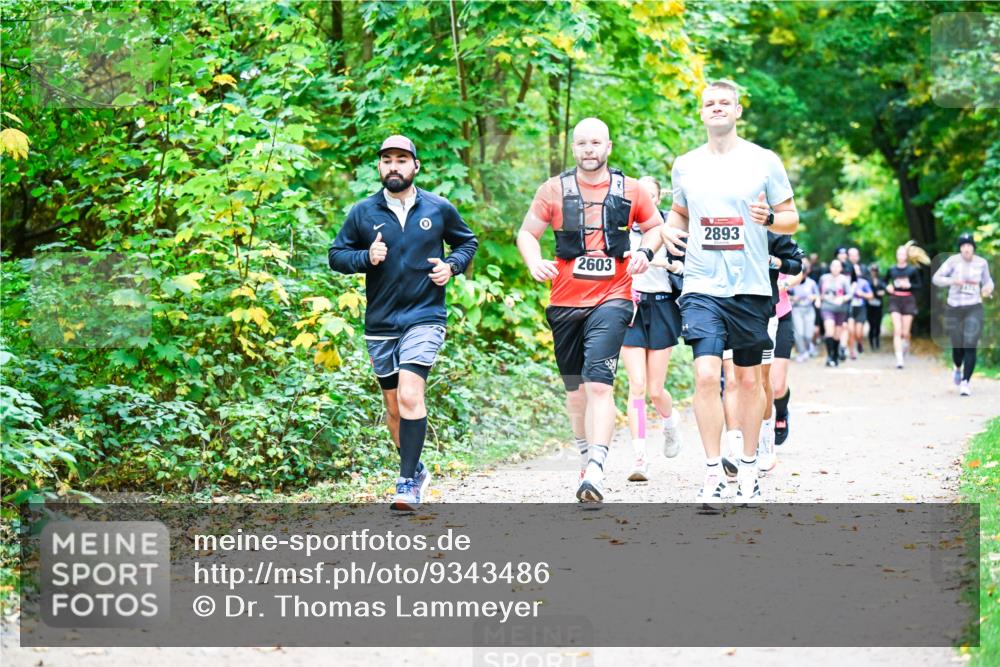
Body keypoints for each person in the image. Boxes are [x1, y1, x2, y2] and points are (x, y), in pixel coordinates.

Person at [659, 79, 799, 508]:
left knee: (745, 378)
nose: (717, 108)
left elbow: (792, 218)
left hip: (751, 286)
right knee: (705, 375)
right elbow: (681, 214)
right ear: (701, 113)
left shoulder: (764, 161)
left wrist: (771, 217)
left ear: (738, 111)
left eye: (725, 103)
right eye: (709, 103)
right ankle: (713, 471)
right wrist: (666, 228)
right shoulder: (685, 165)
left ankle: (751, 468)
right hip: (702, 284)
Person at [328, 135, 479, 511]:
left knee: (412, 395)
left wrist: (452, 266)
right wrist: (366, 256)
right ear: (379, 167)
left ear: (415, 166)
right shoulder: (363, 213)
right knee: (394, 409)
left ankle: (406, 483)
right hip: (380, 322)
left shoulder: (439, 208)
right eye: (386, 160)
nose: (393, 166)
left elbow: (467, 242)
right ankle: (417, 468)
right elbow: (336, 255)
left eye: (401, 160)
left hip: (425, 316)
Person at [517, 117, 661, 503]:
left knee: (599, 382)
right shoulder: (552, 190)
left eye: (596, 142)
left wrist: (645, 252)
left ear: (608, 146)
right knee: (575, 391)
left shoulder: (631, 190)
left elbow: (655, 228)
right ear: (574, 148)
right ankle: (585, 452)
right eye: (582, 143)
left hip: (613, 295)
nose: (589, 150)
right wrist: (534, 262)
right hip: (564, 300)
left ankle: (596, 467)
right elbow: (527, 233)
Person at [621, 176, 684, 482]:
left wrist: (660, 263)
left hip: (661, 308)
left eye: (650, 194)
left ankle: (671, 423)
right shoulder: (619, 232)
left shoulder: (669, 231)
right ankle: (640, 457)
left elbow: (685, 268)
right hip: (630, 310)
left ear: (658, 200)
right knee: (637, 385)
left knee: (656, 391)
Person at [932, 232, 994, 396]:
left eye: (969, 245)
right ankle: (957, 367)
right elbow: (936, 278)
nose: (966, 248)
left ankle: (966, 382)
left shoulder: (981, 263)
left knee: (970, 343)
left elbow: (988, 281)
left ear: (973, 247)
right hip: (954, 308)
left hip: (974, 307)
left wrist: (988, 288)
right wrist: (951, 280)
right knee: (958, 345)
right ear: (960, 248)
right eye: (963, 246)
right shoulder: (952, 261)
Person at [885, 242, 928, 369]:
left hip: (908, 300)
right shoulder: (891, 270)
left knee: (905, 332)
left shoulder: (912, 270)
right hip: (895, 300)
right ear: (896, 255)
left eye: (903, 254)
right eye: (898, 253)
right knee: (897, 330)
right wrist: (888, 287)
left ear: (906, 256)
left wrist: (910, 286)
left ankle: (905, 345)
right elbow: (884, 282)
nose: (900, 256)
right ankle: (899, 359)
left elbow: (919, 286)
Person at [819, 259, 851, 367]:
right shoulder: (824, 278)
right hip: (827, 307)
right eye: (833, 266)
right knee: (829, 331)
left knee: (837, 334)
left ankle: (836, 355)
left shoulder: (844, 279)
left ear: (841, 268)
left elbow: (850, 294)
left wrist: (843, 298)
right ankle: (829, 356)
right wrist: (819, 299)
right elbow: (819, 292)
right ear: (830, 267)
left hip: (841, 309)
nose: (835, 268)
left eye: (838, 266)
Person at [791, 258, 820, 361]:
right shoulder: (792, 283)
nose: (802, 275)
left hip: (809, 310)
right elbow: (786, 295)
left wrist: (815, 298)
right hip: (797, 309)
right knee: (799, 333)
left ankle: (808, 348)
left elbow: (817, 295)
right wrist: (793, 298)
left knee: (808, 334)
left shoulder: (811, 283)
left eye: (803, 273)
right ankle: (802, 352)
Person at [847, 270, 875, 360]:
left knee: (858, 333)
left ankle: (859, 342)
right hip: (849, 308)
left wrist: (862, 294)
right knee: (851, 331)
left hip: (861, 308)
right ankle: (852, 351)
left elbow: (871, 295)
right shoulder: (846, 281)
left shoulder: (864, 282)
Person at [867, 264, 886, 350]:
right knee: (871, 325)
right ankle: (871, 343)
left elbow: (886, 289)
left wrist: (883, 292)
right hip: (869, 305)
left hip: (878, 304)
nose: (874, 272)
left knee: (878, 324)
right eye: (872, 270)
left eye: (875, 270)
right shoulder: (867, 280)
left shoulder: (881, 280)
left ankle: (877, 341)